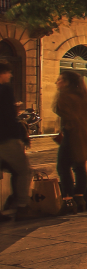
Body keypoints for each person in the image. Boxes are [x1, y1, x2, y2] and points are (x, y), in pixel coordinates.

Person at [54, 71, 87, 212]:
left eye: (59, 80)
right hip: (84, 137)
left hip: (71, 135)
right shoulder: (83, 96)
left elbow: (61, 111)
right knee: (80, 168)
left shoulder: (65, 96)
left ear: (66, 82)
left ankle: (68, 200)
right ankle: (79, 198)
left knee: (63, 167)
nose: (56, 83)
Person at [0, 61, 33, 221]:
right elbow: (7, 116)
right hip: (6, 138)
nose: (11, 75)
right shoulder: (4, 89)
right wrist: (20, 134)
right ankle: (22, 206)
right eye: (8, 72)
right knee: (23, 170)